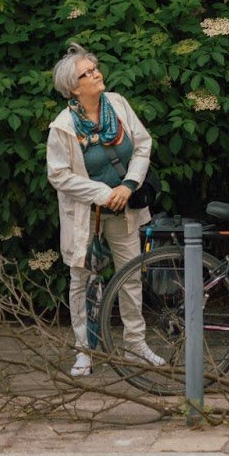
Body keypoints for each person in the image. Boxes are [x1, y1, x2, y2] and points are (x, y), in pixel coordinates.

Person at [45, 45, 161, 377]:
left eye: (95, 68)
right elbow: (58, 175)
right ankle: (84, 350)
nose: (96, 74)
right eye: (87, 72)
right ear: (72, 87)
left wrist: (129, 184)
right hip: (87, 216)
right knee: (82, 280)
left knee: (131, 276)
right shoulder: (63, 126)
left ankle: (135, 344)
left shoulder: (118, 104)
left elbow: (142, 143)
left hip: (124, 209)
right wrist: (102, 192)